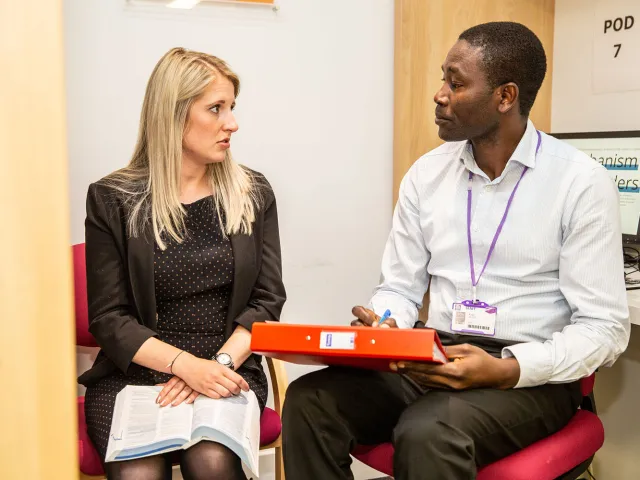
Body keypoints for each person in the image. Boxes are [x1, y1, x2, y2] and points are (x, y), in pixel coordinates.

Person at [282, 21, 630, 480]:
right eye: (443, 78)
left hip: (528, 372)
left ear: (505, 97)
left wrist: (507, 369)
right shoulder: (427, 175)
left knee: (430, 431)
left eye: (456, 82)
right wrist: (387, 325)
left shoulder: (579, 183)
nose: (439, 94)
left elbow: (604, 330)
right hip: (435, 354)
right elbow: (400, 289)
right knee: (311, 401)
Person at [78, 47, 286, 480]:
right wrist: (184, 366)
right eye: (216, 109)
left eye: (232, 107)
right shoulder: (113, 198)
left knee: (211, 462)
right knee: (139, 473)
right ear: (172, 116)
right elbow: (109, 317)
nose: (233, 123)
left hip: (228, 365)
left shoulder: (252, 193)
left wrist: (215, 368)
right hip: (134, 371)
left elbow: (267, 301)